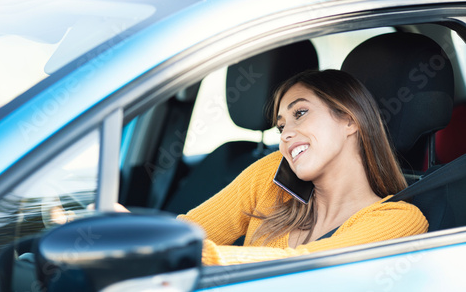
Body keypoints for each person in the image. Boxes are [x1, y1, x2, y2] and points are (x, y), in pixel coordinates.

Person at [178, 69, 428, 266]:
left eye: (300, 113)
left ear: (349, 119)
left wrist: (172, 255)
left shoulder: (400, 220)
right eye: (281, 127)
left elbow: (304, 267)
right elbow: (186, 232)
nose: (285, 134)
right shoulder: (273, 175)